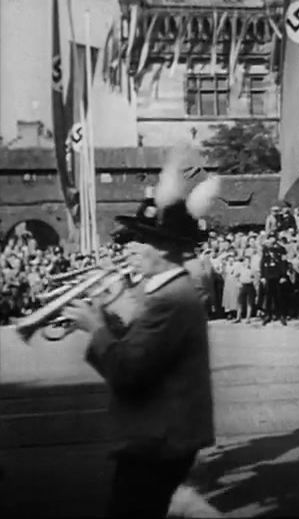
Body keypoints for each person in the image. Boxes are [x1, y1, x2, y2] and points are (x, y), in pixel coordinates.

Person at [63, 188, 215, 517]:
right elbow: (139, 349)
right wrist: (105, 319)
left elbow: (128, 371)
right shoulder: (164, 293)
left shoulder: (171, 300)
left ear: (163, 247)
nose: (130, 246)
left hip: (158, 440)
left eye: (140, 238)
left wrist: (95, 328)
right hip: (157, 436)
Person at [260, 233, 288, 325]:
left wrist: (283, 276)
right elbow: (263, 263)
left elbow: (284, 263)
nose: (271, 240)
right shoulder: (265, 250)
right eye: (270, 239)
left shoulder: (281, 250)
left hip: (278, 275)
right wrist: (263, 276)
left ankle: (282, 315)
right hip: (269, 276)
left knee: (279, 297)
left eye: (273, 238)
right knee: (268, 296)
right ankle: (268, 315)